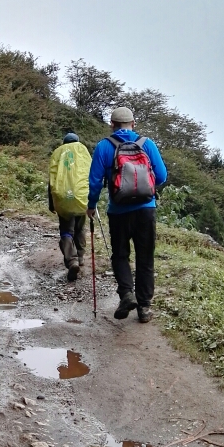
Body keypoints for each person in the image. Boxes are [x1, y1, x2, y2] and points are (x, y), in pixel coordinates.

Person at [87, 106, 167, 322]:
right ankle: (144, 308)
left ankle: (126, 294)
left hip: (118, 211)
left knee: (120, 255)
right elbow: (161, 176)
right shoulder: (146, 144)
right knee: (145, 258)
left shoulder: (104, 146)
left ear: (112, 125)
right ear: (133, 123)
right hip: (145, 210)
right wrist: (144, 186)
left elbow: (94, 182)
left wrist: (91, 205)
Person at [48, 133, 92, 282]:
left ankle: (71, 260)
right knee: (80, 227)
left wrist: (52, 203)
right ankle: (80, 258)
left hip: (62, 197)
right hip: (81, 196)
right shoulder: (83, 150)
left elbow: (52, 179)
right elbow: (91, 173)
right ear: (77, 141)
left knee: (66, 230)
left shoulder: (58, 152)